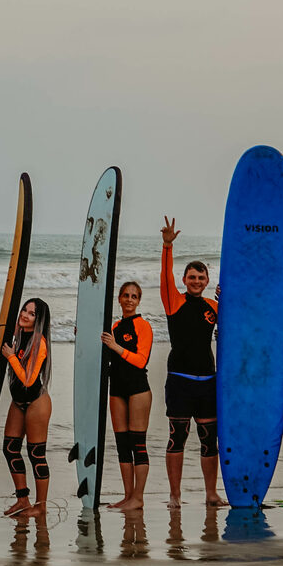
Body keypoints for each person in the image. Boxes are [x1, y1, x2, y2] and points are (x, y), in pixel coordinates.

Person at [159, 217, 224, 507]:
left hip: (208, 380)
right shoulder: (175, 301)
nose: (196, 281)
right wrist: (167, 246)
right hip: (180, 380)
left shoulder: (214, 306)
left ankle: (211, 494)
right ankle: (175, 495)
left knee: (210, 440)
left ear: (207, 281)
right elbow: (164, 276)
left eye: (201, 278)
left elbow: (235, 328)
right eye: (192, 277)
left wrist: (229, 297)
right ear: (185, 280)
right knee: (178, 438)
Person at [101, 281, 153, 511]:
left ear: (138, 300)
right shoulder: (113, 328)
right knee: (122, 444)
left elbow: (141, 360)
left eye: (134, 296)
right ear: (119, 299)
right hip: (117, 389)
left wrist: (116, 347)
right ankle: (128, 496)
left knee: (137, 444)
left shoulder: (143, 326)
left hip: (138, 389)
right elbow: (105, 356)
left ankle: (139, 497)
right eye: (125, 295)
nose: (129, 299)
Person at [0, 297, 53, 518]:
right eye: (24, 310)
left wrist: (11, 357)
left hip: (36, 401)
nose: (25, 315)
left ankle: (41, 506)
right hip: (18, 401)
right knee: (10, 448)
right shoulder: (18, 333)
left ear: (39, 319)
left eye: (32, 313)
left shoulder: (39, 342)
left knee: (35, 453)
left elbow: (29, 379)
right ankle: (22, 499)